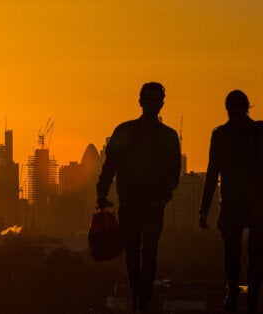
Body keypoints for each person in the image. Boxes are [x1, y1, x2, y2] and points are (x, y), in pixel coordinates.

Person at [96, 82, 181, 311]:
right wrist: (101, 192)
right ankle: (138, 301)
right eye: (149, 99)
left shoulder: (169, 136)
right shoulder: (124, 131)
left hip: (154, 204)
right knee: (132, 254)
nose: (153, 104)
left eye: (157, 100)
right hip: (130, 204)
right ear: (141, 102)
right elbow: (110, 165)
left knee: (150, 253)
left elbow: (174, 171)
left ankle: (142, 302)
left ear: (162, 103)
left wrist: (165, 196)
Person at [199, 90, 263, 312]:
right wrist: (204, 208)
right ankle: (235, 291)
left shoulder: (257, 131)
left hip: (255, 199)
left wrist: (204, 209)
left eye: (238, 112)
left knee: (252, 250)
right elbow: (212, 172)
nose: (235, 117)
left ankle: (248, 294)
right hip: (240, 200)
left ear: (245, 110)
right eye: (232, 112)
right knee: (234, 250)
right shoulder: (223, 134)